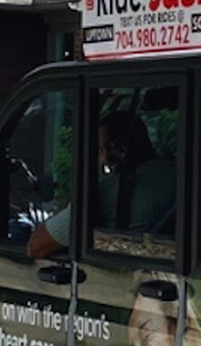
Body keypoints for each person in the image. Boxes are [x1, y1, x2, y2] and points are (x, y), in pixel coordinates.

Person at [27, 111, 177, 259]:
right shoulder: (176, 174)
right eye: (99, 150)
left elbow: (36, 247)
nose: (106, 158)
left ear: (134, 142)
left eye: (113, 146)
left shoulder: (114, 189)